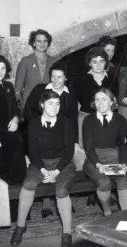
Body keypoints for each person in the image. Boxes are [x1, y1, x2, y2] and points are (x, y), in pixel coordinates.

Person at [10, 90, 76, 247]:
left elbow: (69, 152)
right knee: (27, 186)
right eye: (51, 103)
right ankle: (20, 227)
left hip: (63, 165)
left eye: (58, 103)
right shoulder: (33, 123)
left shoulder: (66, 123)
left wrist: (57, 171)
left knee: (61, 191)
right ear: (42, 105)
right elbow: (33, 150)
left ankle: (66, 233)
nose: (55, 107)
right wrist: (43, 170)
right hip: (40, 165)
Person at [23, 62, 78, 218]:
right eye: (53, 76)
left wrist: (74, 140)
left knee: (64, 168)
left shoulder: (70, 93)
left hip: (63, 137)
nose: (55, 80)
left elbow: (73, 118)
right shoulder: (41, 89)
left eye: (59, 77)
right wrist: (41, 125)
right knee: (44, 164)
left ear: (65, 78)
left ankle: (65, 201)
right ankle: (46, 204)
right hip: (42, 134)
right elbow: (27, 110)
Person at [83, 88, 127, 216]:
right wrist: (98, 165)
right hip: (95, 161)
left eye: (104, 99)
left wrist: (123, 163)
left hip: (115, 158)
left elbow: (123, 144)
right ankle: (107, 212)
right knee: (104, 182)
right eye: (97, 99)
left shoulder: (120, 119)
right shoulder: (88, 120)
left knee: (122, 180)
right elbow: (88, 147)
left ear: (112, 102)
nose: (100, 103)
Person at [76, 47, 117, 149]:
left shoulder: (112, 78)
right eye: (94, 62)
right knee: (85, 149)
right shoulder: (80, 79)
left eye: (101, 62)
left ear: (106, 63)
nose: (98, 65)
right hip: (86, 117)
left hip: (106, 118)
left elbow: (115, 101)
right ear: (89, 63)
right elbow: (77, 102)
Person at [15, 29, 57, 110]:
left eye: (45, 41)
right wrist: (20, 107)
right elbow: (17, 89)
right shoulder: (25, 61)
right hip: (28, 104)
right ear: (34, 43)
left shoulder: (54, 61)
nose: (42, 44)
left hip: (48, 104)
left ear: (48, 43)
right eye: (39, 41)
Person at [0, 56, 26, 184]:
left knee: (18, 170)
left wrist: (16, 119)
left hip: (11, 131)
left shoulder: (8, 85)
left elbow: (16, 109)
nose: (0, 71)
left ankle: (16, 202)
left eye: (3, 68)